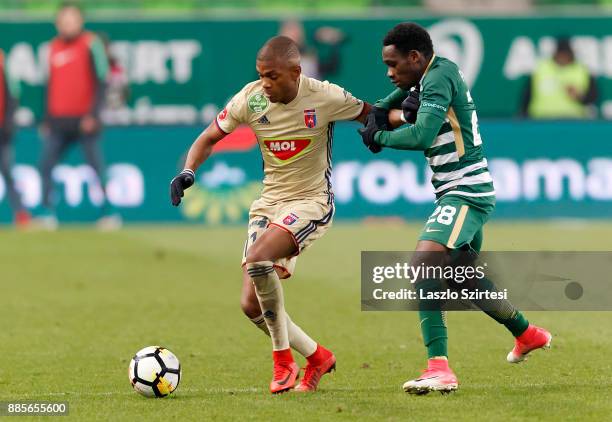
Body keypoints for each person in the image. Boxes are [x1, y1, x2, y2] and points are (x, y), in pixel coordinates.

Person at [358, 22, 552, 395]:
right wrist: (383, 108)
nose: (389, 72)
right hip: (458, 189)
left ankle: (439, 368)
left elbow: (421, 135)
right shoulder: (434, 72)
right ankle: (527, 333)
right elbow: (402, 99)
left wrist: (378, 135)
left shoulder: (437, 78)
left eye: (393, 64)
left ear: (415, 57)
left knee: (424, 262)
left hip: (465, 191)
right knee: (462, 276)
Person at [171, 36, 369, 394]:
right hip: (268, 203)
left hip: (311, 202)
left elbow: (373, 115)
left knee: (257, 258)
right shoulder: (252, 98)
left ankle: (282, 362)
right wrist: (188, 171)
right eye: (261, 74)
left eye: (273, 76)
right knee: (250, 304)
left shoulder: (325, 96)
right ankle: (318, 356)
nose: (265, 82)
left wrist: (405, 121)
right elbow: (208, 137)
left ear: (295, 72)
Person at [38, 3, 119, 229]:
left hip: (85, 121)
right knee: (45, 165)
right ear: (57, 23)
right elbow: (50, 86)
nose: (68, 23)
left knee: (96, 167)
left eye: (72, 19)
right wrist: (46, 118)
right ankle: (46, 213)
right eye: (64, 19)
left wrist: (93, 114)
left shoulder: (90, 43)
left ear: (80, 21)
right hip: (58, 121)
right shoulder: (52, 48)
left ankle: (108, 213)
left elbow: (102, 80)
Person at [521, 38, 598, 119]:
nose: (563, 57)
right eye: (560, 54)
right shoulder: (541, 69)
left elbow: (593, 97)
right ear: (555, 54)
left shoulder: (582, 70)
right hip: (541, 119)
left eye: (566, 54)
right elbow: (527, 94)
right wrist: (523, 114)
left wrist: (580, 97)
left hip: (573, 121)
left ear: (571, 54)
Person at [0, 48, 31, 227]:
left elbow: (14, 92)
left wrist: (9, 123)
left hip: (2, 128)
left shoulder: (2, 59)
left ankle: (20, 212)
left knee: (7, 171)